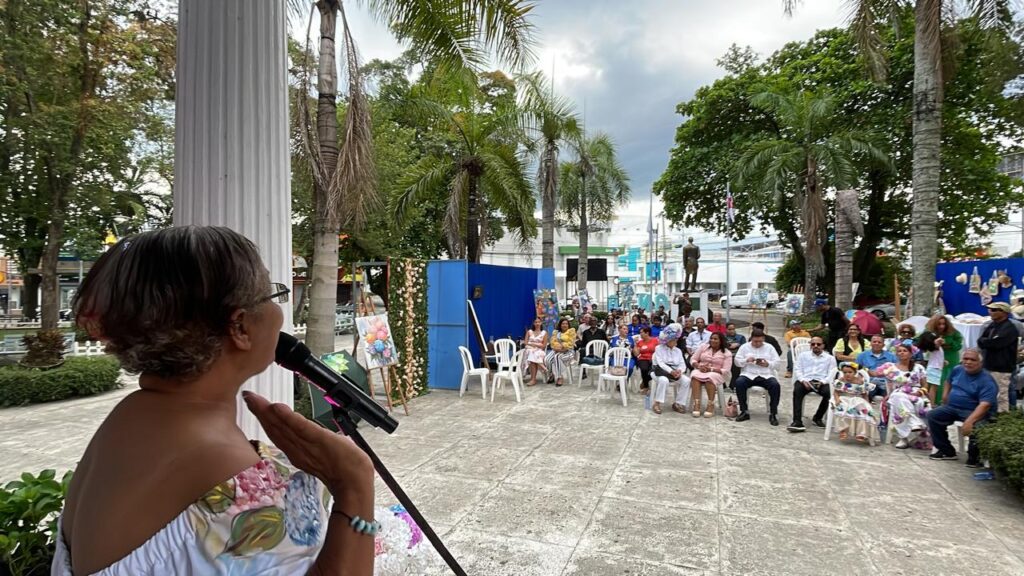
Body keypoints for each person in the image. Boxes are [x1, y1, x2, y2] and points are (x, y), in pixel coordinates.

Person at [56, 227, 374, 575]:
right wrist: (354, 484)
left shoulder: (127, 417)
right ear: (239, 327)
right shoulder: (222, 465)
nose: (278, 313)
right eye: (270, 295)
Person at [927, 348, 996, 465]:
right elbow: (948, 381)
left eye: (972, 360)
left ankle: (974, 457)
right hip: (953, 407)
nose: (968, 362)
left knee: (979, 426)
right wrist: (945, 396)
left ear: (980, 363)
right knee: (933, 415)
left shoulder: (987, 380)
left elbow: (985, 405)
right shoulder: (958, 369)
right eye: (965, 359)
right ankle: (947, 451)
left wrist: (969, 421)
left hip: (975, 411)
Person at [883, 341, 931, 449]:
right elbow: (890, 385)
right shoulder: (891, 367)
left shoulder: (918, 367)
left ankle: (911, 436)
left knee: (921, 403)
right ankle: (908, 431)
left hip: (915, 392)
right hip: (898, 392)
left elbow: (925, 384)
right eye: (899, 351)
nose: (901, 353)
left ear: (910, 353)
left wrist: (921, 391)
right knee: (898, 398)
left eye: (904, 351)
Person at [733, 329, 783, 425]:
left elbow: (777, 363)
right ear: (751, 339)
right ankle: (744, 411)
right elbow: (737, 362)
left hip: (765, 374)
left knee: (775, 385)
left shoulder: (769, 347)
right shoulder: (744, 347)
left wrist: (768, 364)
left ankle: (773, 413)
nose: (758, 343)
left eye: (760, 341)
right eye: (755, 341)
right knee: (739, 382)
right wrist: (746, 360)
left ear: (763, 339)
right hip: (749, 374)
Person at [787, 336, 837, 432]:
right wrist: (802, 380)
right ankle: (797, 421)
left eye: (818, 344)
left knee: (829, 393)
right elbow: (797, 369)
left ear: (823, 345)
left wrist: (823, 382)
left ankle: (818, 417)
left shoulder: (830, 358)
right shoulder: (803, 355)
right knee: (797, 390)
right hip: (805, 380)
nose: (815, 346)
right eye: (813, 344)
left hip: (821, 381)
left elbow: (832, 373)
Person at [977, 302, 1018, 413]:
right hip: (988, 365)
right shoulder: (991, 325)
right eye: (990, 309)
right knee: (988, 393)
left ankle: (1001, 420)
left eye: (994, 310)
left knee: (1001, 395)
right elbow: (980, 341)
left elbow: (997, 343)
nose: (990, 312)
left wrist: (987, 342)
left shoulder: (1009, 328)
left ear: (1004, 312)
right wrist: (988, 342)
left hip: (1001, 367)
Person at [831, 362, 880, 443]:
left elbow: (864, 394)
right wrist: (837, 399)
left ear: (855, 372)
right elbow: (836, 392)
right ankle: (843, 429)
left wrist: (867, 403)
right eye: (845, 372)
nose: (847, 374)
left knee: (863, 410)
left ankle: (861, 432)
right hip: (844, 398)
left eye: (850, 372)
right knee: (842, 408)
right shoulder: (841, 380)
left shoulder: (860, 382)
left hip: (857, 399)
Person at [688, 332, 732, 417]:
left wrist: (711, 369)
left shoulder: (727, 353)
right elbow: (693, 359)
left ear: (721, 341)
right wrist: (698, 366)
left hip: (718, 373)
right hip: (701, 369)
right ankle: (696, 403)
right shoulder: (703, 347)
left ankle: (710, 404)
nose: (712, 340)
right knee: (694, 376)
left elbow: (726, 370)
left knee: (710, 378)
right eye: (711, 338)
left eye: (715, 339)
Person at [652, 323, 689, 415]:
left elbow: (682, 364)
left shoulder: (678, 350)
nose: (676, 340)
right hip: (660, 372)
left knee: (686, 380)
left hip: (674, 372)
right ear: (667, 340)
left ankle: (678, 403)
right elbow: (660, 364)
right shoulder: (658, 348)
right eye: (673, 339)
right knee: (664, 380)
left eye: (676, 338)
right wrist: (671, 371)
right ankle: (657, 403)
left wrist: (680, 371)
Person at [924, 314, 963, 402]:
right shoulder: (928, 332)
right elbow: (921, 343)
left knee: (949, 379)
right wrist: (934, 344)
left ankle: (949, 401)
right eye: (939, 324)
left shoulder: (953, 332)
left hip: (951, 358)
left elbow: (958, 346)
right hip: (936, 359)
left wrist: (948, 343)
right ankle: (935, 402)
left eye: (944, 324)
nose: (942, 326)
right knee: (936, 381)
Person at [857, 335, 897, 401]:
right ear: (870, 343)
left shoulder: (891, 356)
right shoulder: (862, 355)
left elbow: (897, 370)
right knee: (865, 397)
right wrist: (867, 372)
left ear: (883, 345)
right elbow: (857, 370)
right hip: (869, 382)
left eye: (879, 342)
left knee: (891, 398)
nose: (876, 343)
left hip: (886, 383)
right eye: (874, 342)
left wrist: (885, 373)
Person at [546, 318, 576, 387]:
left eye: (566, 324)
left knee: (557, 357)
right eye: (563, 324)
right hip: (557, 350)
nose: (564, 325)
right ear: (560, 325)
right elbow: (552, 343)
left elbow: (570, 344)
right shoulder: (556, 332)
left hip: (568, 352)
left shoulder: (571, 331)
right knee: (547, 359)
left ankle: (560, 377)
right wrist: (555, 348)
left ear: (568, 325)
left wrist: (561, 348)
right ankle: (551, 375)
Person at [576, 315, 608, 380]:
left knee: (605, 351)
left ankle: (605, 370)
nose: (593, 323)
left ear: (596, 323)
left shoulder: (601, 332)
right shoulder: (586, 332)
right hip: (589, 350)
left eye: (594, 321)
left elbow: (606, 341)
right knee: (582, 350)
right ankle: (583, 371)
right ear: (589, 323)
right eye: (592, 321)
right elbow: (583, 343)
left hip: (599, 350)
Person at [524, 318, 549, 386]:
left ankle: (533, 379)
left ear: (541, 323)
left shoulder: (544, 333)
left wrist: (533, 344)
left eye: (539, 322)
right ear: (533, 323)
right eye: (536, 322)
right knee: (532, 353)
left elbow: (544, 346)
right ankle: (542, 367)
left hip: (539, 351)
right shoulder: (529, 332)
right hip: (529, 350)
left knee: (533, 355)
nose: (537, 323)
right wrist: (536, 345)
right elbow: (525, 343)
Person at [633, 326, 657, 395]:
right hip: (642, 358)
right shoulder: (639, 342)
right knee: (644, 369)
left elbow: (659, 350)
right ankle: (646, 386)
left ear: (647, 333)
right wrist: (635, 344)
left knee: (652, 369)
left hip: (653, 358)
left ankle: (645, 381)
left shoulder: (655, 340)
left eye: (641, 332)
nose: (640, 334)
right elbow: (636, 354)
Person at [725, 322, 747, 387]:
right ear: (726, 329)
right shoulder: (722, 337)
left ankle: (733, 385)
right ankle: (722, 385)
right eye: (730, 329)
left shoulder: (741, 337)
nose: (732, 331)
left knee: (736, 366)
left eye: (733, 329)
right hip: (725, 357)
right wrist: (728, 345)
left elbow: (745, 348)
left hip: (736, 356)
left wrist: (738, 344)